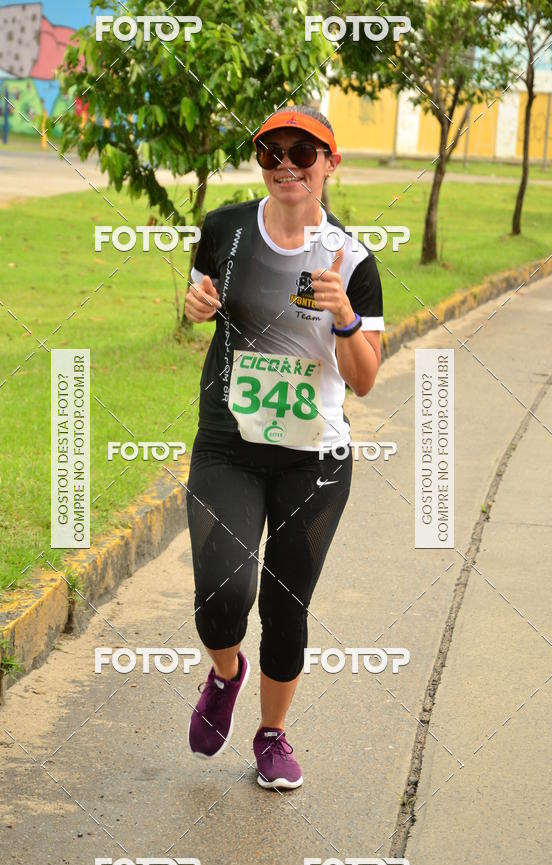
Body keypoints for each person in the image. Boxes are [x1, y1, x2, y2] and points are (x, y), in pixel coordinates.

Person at [183, 105, 384, 790]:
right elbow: (200, 291)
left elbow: (363, 380)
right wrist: (195, 305)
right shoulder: (225, 229)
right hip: (229, 445)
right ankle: (224, 673)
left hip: (315, 459)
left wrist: (345, 317)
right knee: (221, 594)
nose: (288, 165)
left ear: (332, 162)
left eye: (305, 152)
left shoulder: (353, 259)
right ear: (260, 162)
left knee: (284, 604)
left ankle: (272, 737)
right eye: (273, 153)